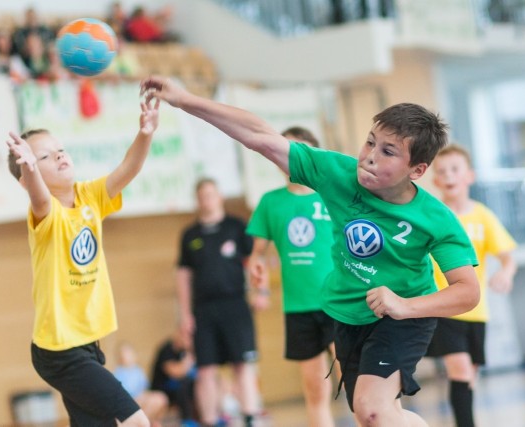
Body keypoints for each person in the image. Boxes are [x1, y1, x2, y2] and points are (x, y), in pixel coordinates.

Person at [139, 76, 480, 427]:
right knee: (373, 415)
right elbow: (260, 135)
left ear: (418, 170)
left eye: (388, 152)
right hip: (347, 314)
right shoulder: (337, 173)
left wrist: (405, 306)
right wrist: (185, 100)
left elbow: (467, 292)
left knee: (372, 409)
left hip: (403, 317)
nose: (369, 158)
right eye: (370, 143)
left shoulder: (436, 219)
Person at [5, 94, 160, 426]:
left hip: (87, 344)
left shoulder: (90, 196)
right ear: (27, 175)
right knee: (136, 421)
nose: (59, 154)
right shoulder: (46, 215)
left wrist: (145, 134)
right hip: (59, 349)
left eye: (60, 148)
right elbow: (37, 194)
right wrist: (30, 168)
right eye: (44, 155)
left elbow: (128, 168)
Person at [246, 126, 337, 427]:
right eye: (284, 152)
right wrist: (257, 266)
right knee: (315, 389)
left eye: (298, 152)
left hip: (339, 304)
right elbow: (257, 253)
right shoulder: (271, 202)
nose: (289, 159)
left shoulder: (333, 197)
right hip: (298, 307)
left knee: (355, 384)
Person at [425, 144, 517, 427]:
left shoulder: (482, 216)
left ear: (469, 176)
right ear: (436, 180)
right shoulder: (432, 216)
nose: (449, 175)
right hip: (443, 308)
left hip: (476, 311)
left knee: (469, 377)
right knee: (461, 370)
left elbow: (507, 256)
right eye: (442, 171)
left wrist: (506, 273)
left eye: (455, 169)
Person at [176, 178, 261, 427]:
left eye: (211, 194)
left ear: (219, 196)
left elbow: (255, 260)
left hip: (235, 304)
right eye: (202, 195)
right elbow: (183, 276)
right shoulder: (189, 235)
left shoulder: (236, 226)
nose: (207, 199)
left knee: (242, 364)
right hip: (203, 310)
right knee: (205, 370)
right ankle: (210, 421)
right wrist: (185, 314)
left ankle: (250, 417)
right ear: (197, 200)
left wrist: (261, 290)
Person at [114, 341, 169, 427]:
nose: (125, 356)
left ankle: (152, 421)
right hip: (130, 400)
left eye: (128, 353)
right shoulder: (119, 372)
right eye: (123, 353)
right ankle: (142, 423)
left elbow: (145, 387)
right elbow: (122, 393)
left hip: (142, 397)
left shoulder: (138, 370)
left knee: (161, 398)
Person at [150, 329, 198, 426]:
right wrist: (190, 358)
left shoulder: (183, 352)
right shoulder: (166, 349)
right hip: (163, 390)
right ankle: (187, 421)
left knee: (197, 384)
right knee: (184, 383)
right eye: (187, 336)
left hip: (178, 390)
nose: (189, 340)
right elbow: (176, 372)